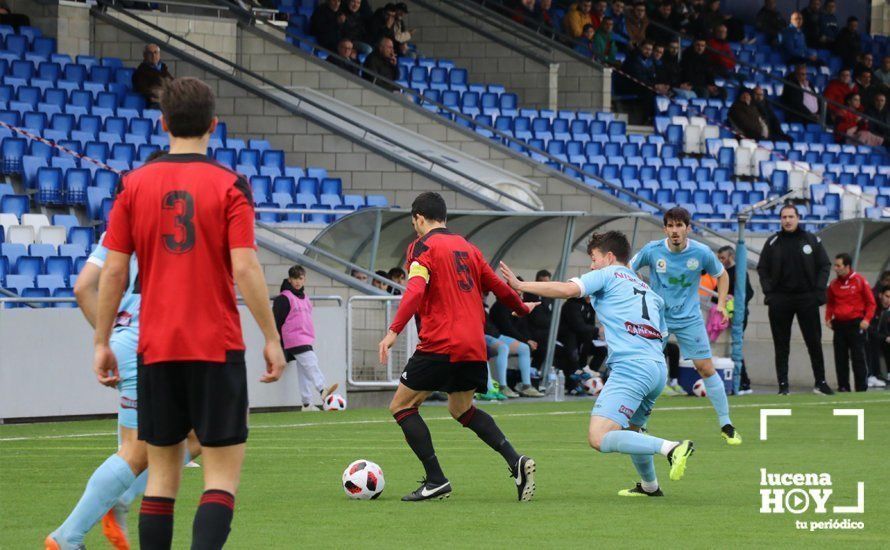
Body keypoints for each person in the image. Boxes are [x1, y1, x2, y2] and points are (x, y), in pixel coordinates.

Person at [93, 77, 287, 548]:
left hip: (156, 347)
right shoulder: (230, 185)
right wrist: (271, 336)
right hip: (215, 346)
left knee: (161, 481)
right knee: (219, 479)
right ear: (213, 125)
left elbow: (114, 272)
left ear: (163, 124)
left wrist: (101, 341)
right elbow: (245, 266)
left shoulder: (133, 185)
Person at [500, 232, 696, 498]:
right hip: (656, 368)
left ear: (610, 257)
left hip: (632, 368)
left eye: (593, 259)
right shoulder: (646, 290)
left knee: (599, 437)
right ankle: (650, 486)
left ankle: (671, 448)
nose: (591, 266)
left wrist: (521, 286)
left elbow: (568, 289)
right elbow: (661, 334)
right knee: (632, 431)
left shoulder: (609, 274)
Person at [46, 230, 203, 550]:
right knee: (154, 446)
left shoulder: (121, 225)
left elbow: (82, 287)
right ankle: (69, 535)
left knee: (179, 439)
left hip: (128, 344)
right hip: (162, 347)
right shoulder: (186, 228)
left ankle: (115, 501)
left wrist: (109, 339)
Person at [377, 192, 536, 502]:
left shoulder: (422, 247)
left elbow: (414, 291)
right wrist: (521, 307)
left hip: (440, 342)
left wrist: (393, 331)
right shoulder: (469, 247)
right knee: (460, 408)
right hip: (474, 345)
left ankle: (435, 480)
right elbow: (497, 285)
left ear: (419, 219)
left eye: (414, 223)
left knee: (401, 406)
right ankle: (515, 461)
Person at [629, 207, 740, 445]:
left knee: (706, 368)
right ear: (665, 229)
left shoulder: (701, 253)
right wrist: (641, 292)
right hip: (658, 319)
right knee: (651, 372)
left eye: (679, 226)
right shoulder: (653, 250)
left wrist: (721, 303)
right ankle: (641, 426)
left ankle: (726, 424)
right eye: (670, 226)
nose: (675, 230)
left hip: (689, 318)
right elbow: (628, 268)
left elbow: (722, 276)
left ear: (688, 228)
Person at [757, 204, 832, 396]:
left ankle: (820, 382)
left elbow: (825, 265)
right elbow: (762, 268)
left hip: (807, 298)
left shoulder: (812, 240)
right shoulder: (773, 242)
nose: (787, 220)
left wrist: (818, 292)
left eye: (791, 216)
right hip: (780, 299)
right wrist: (769, 293)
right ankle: (783, 385)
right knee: (781, 344)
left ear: (798, 218)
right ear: (780, 220)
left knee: (814, 341)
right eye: (784, 217)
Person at [273, 265, 338, 411]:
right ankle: (322, 389)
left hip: (305, 337)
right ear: (290, 279)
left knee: (304, 370)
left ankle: (307, 403)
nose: (297, 281)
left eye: (300, 278)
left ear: (304, 279)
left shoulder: (305, 298)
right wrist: (278, 344)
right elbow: (277, 321)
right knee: (311, 363)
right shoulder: (284, 298)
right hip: (293, 338)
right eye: (294, 278)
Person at [825, 253, 876, 393]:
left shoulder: (859, 281)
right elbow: (830, 303)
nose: (835, 268)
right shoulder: (834, 284)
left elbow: (871, 303)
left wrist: (866, 320)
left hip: (856, 324)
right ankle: (843, 386)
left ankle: (861, 388)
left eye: (838, 265)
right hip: (839, 325)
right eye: (835, 265)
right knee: (840, 358)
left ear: (847, 266)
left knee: (858, 357)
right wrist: (828, 318)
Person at [716, 245, 754, 394]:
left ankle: (744, 382)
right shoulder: (721, 272)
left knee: (736, 347)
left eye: (723, 258)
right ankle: (742, 382)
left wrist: (735, 303)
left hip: (738, 314)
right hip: (726, 313)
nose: (721, 261)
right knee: (734, 348)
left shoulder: (739, 272)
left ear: (731, 256)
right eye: (719, 258)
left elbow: (749, 292)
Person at [488, 299, 544, 397]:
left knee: (524, 348)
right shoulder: (501, 305)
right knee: (503, 348)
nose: (520, 294)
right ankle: (502, 386)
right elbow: (507, 328)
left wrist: (527, 340)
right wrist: (525, 340)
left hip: (495, 335)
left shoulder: (517, 305)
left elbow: (523, 326)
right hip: (483, 335)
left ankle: (526, 386)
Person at [131, 44, 173, 109]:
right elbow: (143, 89)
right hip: (153, 103)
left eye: (155, 52)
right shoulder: (140, 72)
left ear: (159, 55)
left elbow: (173, 84)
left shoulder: (164, 70)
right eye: (150, 53)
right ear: (144, 55)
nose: (153, 56)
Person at [866, 287, 890, 387]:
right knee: (871, 342)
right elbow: (870, 329)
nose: (888, 300)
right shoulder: (873, 307)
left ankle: (886, 373)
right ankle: (870, 375)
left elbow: (883, 329)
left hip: (878, 336)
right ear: (880, 295)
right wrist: (885, 337)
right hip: (866, 336)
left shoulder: (885, 311)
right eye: (887, 296)